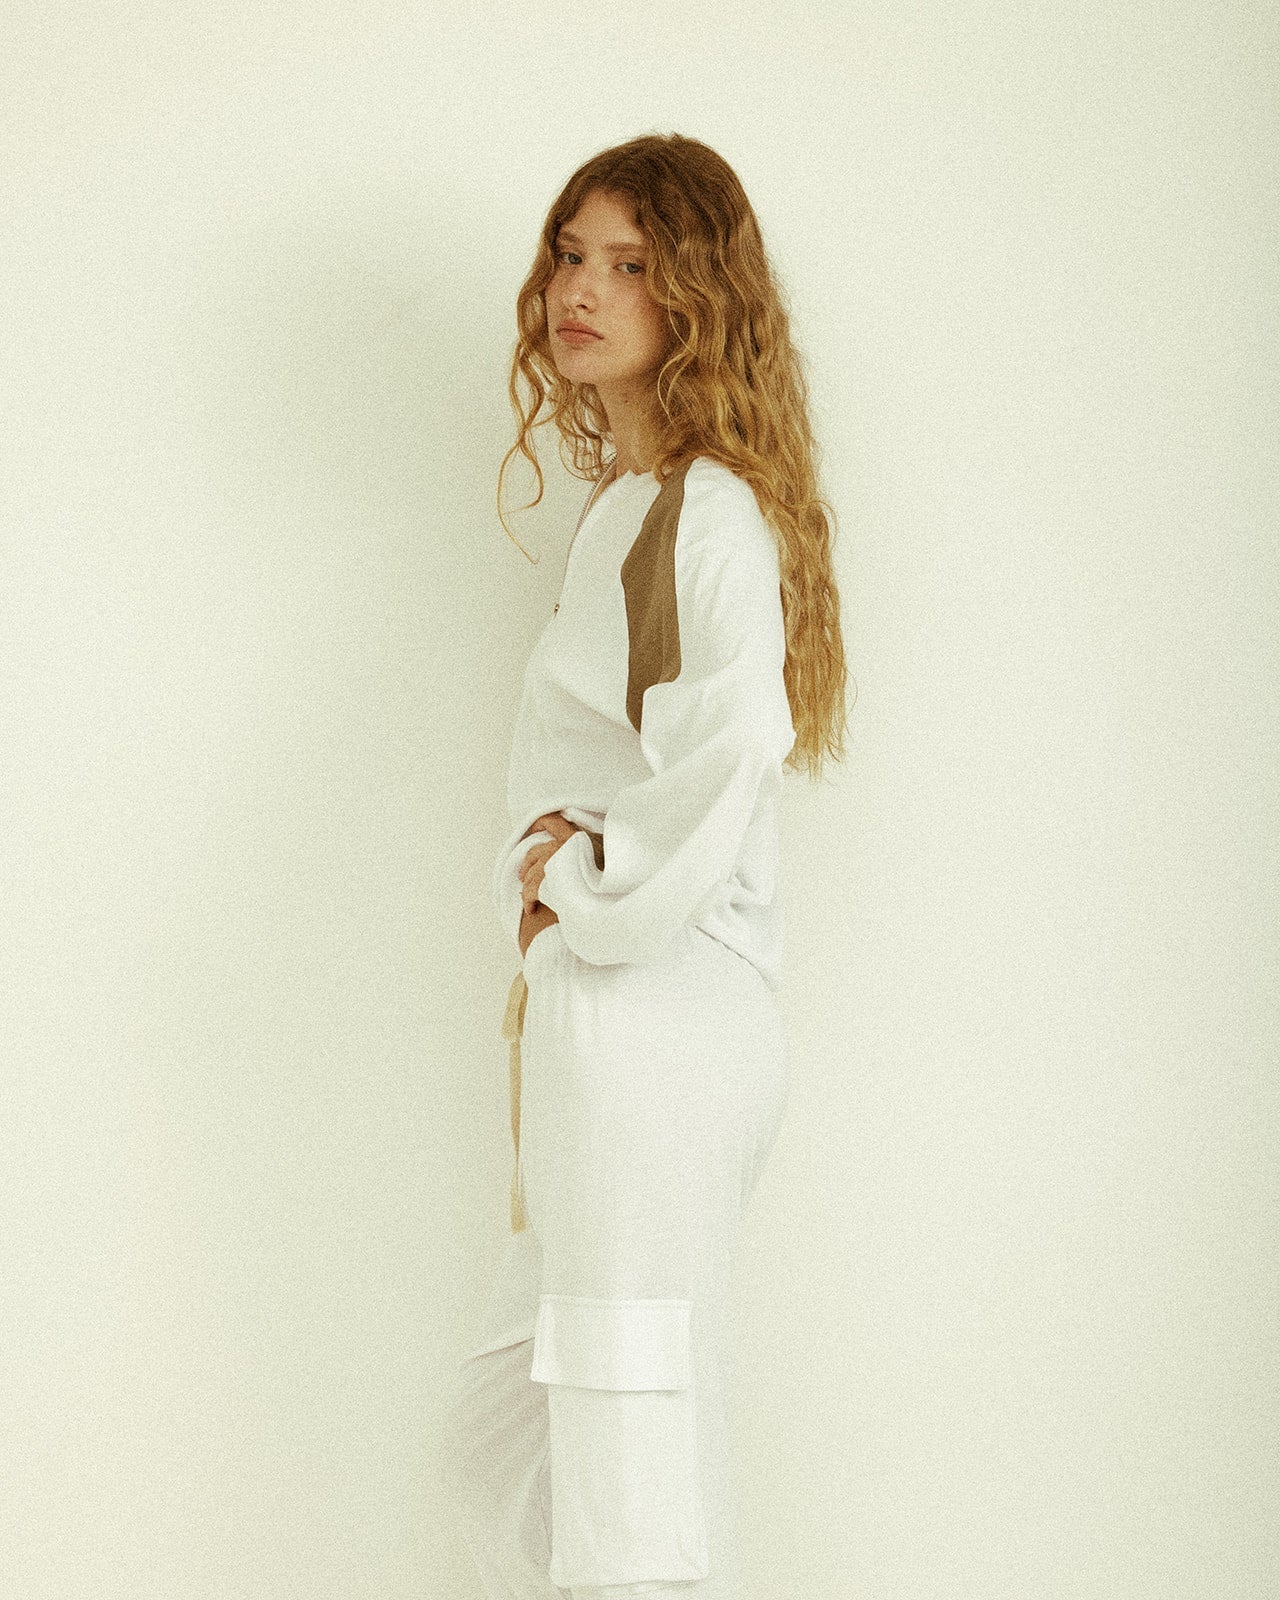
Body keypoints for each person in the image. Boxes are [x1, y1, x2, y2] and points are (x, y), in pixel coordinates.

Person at [441, 131, 849, 1599]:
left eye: (630, 265)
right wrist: (562, 891)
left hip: (656, 1010)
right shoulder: (633, 502)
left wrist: (578, 884)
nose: (582, 290)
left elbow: (728, 748)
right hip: (617, 1009)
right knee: (515, 1445)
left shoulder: (705, 511)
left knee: (627, 1452)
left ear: (698, 299)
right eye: (571, 255)